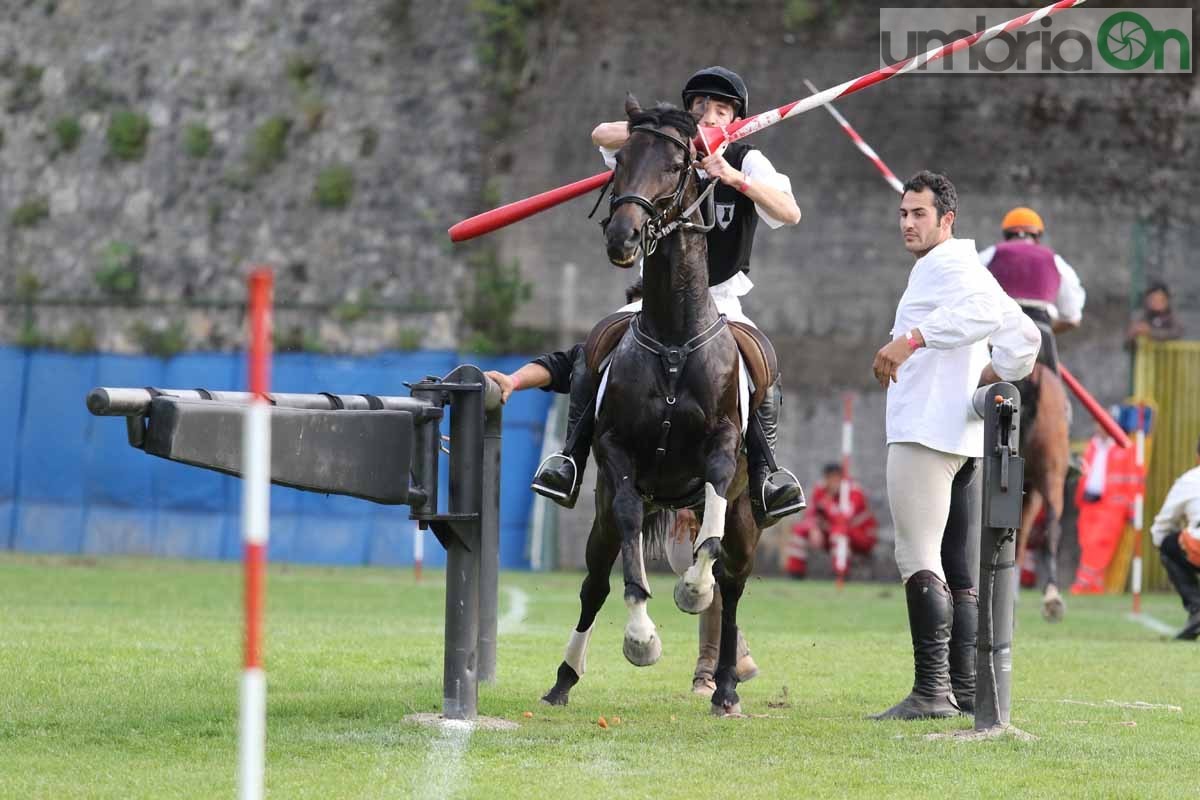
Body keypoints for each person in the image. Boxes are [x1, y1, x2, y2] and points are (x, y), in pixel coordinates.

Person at [529, 66, 805, 525]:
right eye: (699, 107)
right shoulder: (660, 147)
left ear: (736, 117)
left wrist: (735, 178)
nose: (709, 115)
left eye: (720, 110)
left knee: (764, 366)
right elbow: (601, 132)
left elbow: (790, 212)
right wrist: (671, 132)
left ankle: (766, 474)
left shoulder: (747, 157)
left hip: (721, 301)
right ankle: (570, 459)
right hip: (652, 299)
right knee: (593, 352)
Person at [870, 171, 1040, 720]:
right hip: (962, 438)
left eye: (919, 214)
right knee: (957, 567)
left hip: (926, 432)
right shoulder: (964, 268)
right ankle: (964, 689)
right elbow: (1025, 338)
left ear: (948, 219)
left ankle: (930, 692)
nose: (908, 224)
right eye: (903, 214)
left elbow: (989, 317)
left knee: (916, 557)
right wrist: (1000, 370)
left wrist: (912, 338)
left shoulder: (949, 265)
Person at [978, 206, 1086, 373]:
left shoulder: (989, 254)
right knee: (1055, 393)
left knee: (978, 391)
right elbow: (1072, 317)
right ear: (1037, 236)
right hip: (1040, 332)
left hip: (998, 333)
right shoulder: (1055, 260)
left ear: (1006, 235)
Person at [1069, 421, 1140, 595]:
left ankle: (1082, 584)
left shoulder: (1124, 447)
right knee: (1086, 543)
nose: (1099, 428)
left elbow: (1134, 479)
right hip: (1089, 503)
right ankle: (1094, 585)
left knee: (1098, 544)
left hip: (1112, 505)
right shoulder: (1092, 446)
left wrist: (1132, 509)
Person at [786, 463, 878, 580]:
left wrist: (828, 503)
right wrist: (813, 528)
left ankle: (840, 574)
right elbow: (810, 514)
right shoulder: (820, 490)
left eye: (836, 478)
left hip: (861, 535)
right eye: (829, 478)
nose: (833, 482)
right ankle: (795, 575)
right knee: (800, 530)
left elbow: (843, 519)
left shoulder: (854, 492)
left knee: (838, 533)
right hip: (831, 532)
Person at [1149, 435, 1200, 641]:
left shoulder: (1189, 480)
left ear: (1197, 456)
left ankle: (1197, 609)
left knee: (1168, 544)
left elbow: (1160, 529)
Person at [1127, 280, 1183, 345]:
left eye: (1159, 300)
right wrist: (1132, 335)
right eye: (1152, 300)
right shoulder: (1142, 317)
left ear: (1166, 300)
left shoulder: (1173, 317)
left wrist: (1150, 331)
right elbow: (1129, 343)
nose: (1155, 303)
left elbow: (1176, 333)